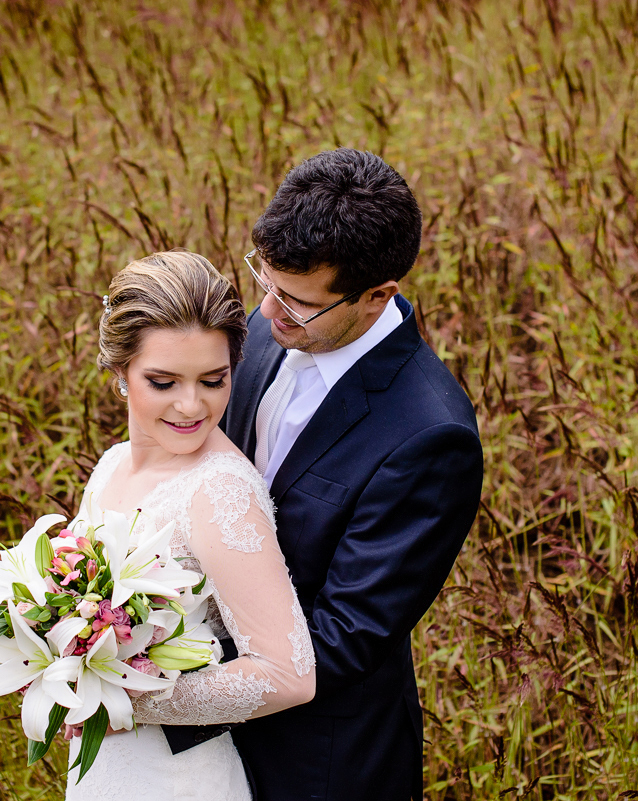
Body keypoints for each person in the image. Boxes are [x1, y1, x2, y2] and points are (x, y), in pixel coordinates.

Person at [162, 149, 484, 801]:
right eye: (267, 281)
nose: (270, 312)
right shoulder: (274, 323)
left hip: (318, 757)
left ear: (377, 295)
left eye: (299, 302)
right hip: (206, 724)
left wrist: (158, 690)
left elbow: (342, 636)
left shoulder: (430, 436)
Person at [64, 251, 316, 801]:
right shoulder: (110, 465)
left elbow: (287, 674)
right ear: (119, 371)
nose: (190, 405)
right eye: (163, 381)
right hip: (109, 768)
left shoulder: (219, 489)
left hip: (178, 778)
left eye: (213, 379)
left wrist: (120, 697)